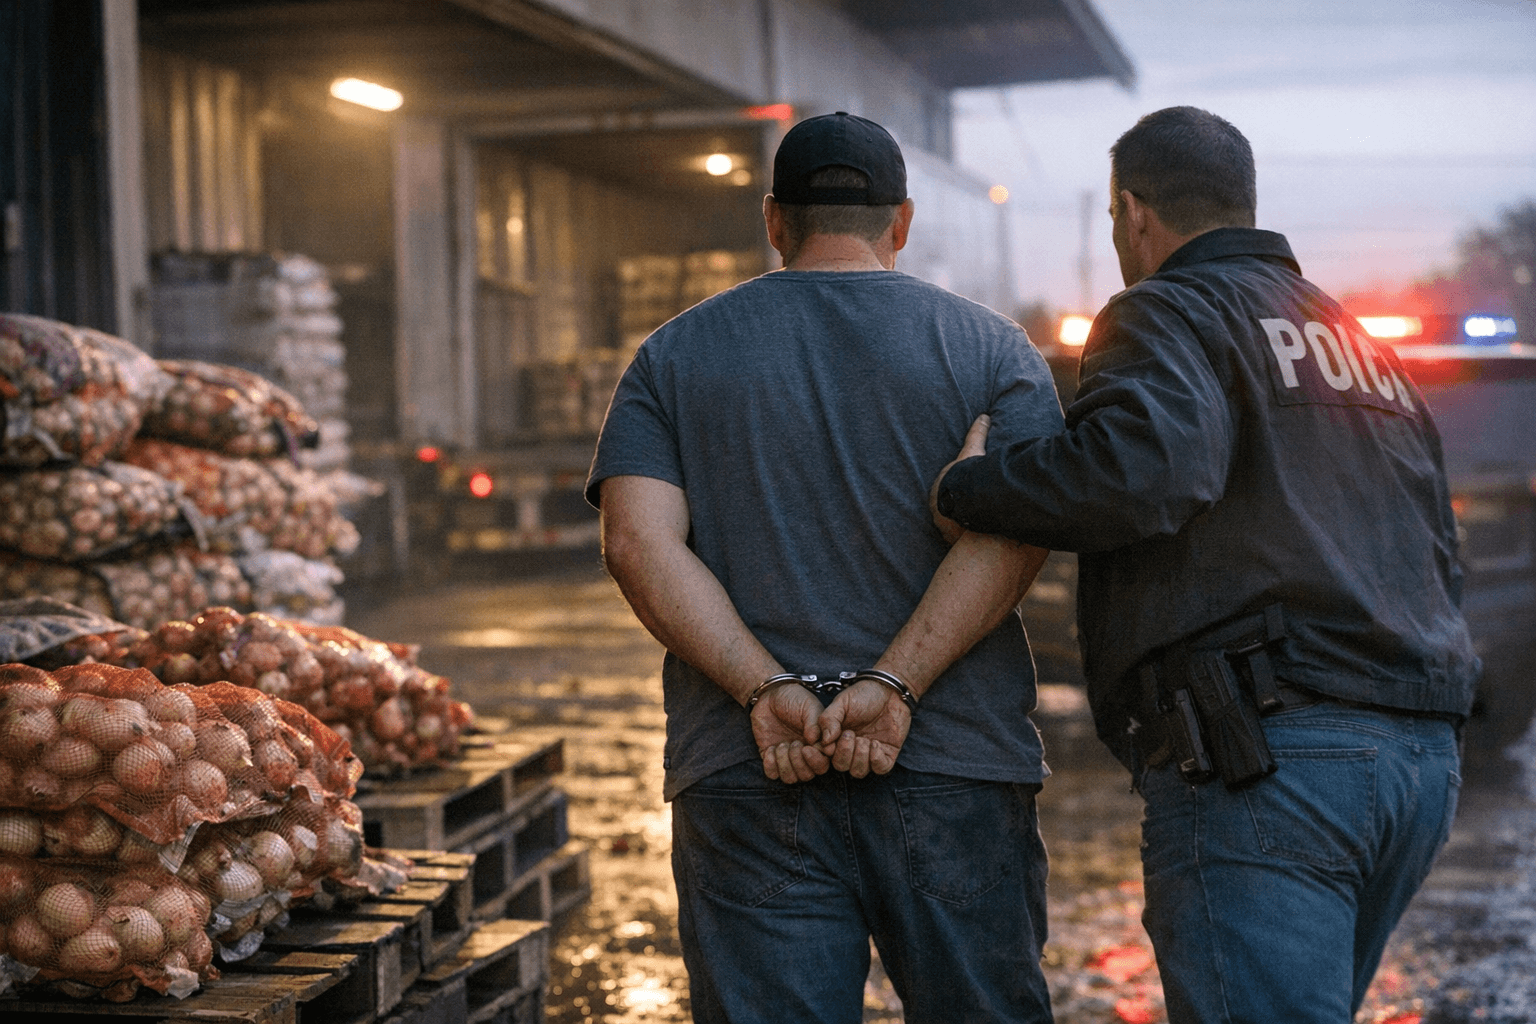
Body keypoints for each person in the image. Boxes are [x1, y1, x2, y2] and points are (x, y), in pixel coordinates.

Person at [932, 105, 1478, 1023]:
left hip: (1272, 758)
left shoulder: (1167, 307)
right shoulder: (1357, 346)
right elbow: (1438, 547)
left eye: (1117, 219)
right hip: (1418, 761)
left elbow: (1141, 472)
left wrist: (970, 487)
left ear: (1132, 212)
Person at [587, 111, 1063, 1023]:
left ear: (774, 219)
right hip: (954, 763)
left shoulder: (672, 355)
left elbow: (637, 544)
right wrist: (896, 683)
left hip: (751, 768)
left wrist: (765, 688)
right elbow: (1013, 535)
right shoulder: (994, 350)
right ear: (903, 221)